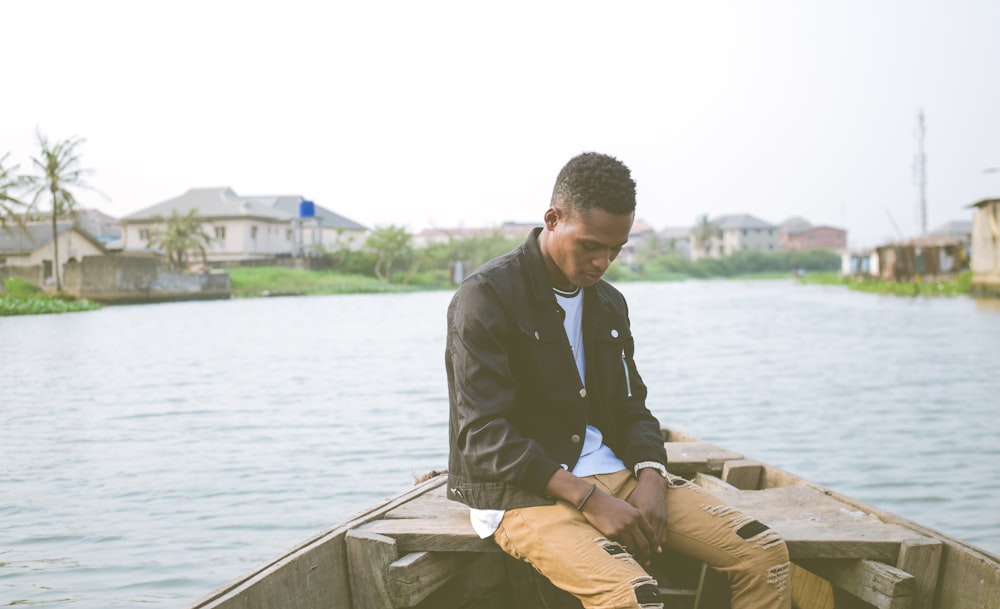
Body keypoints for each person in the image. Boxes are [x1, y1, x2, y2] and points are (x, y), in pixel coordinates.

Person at [445, 152, 791, 609]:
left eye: (616, 248)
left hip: (615, 474)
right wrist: (588, 498)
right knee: (634, 597)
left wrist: (651, 475)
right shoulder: (486, 297)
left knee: (763, 553)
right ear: (553, 219)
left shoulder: (607, 303)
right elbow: (482, 434)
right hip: (522, 493)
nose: (603, 261)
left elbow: (632, 409)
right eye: (590, 245)